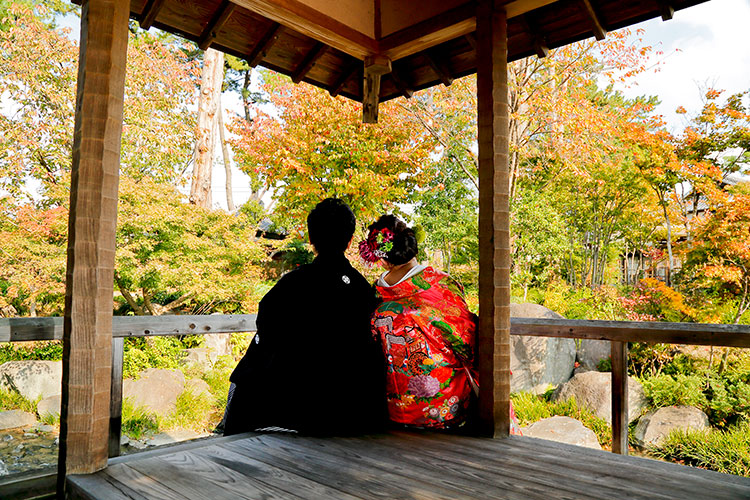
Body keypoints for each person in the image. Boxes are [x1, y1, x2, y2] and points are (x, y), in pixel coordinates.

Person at [224, 198, 386, 436]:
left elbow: (266, 331)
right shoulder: (362, 290)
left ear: (311, 240)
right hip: (351, 409)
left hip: (292, 407)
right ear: (350, 240)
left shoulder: (290, 285)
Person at [362, 215, 522, 433]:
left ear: (382, 259)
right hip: (444, 408)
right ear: (412, 247)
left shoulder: (372, 295)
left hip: (391, 408)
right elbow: (467, 340)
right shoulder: (439, 286)